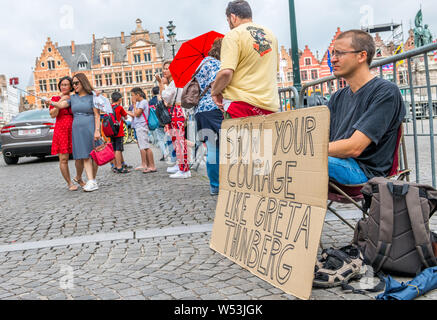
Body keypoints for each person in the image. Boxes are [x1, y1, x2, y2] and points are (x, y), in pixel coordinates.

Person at [328, 29, 406, 185]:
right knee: (276, 159)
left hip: (365, 172)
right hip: (337, 162)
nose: (333, 59)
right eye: (332, 54)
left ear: (361, 56)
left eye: (340, 53)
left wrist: (306, 152)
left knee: (294, 160)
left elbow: (354, 147)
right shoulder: (337, 97)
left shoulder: (386, 92)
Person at [211, 0, 280, 119]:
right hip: (269, 107)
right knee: (266, 138)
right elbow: (275, 69)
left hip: (241, 106)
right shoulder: (271, 36)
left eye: (228, 21)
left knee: (239, 138)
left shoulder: (233, 35)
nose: (229, 24)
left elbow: (226, 72)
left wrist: (215, 91)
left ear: (233, 17)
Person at [49, 73, 101, 192]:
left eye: (73, 84)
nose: (73, 85)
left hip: (87, 127)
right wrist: (52, 102)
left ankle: (88, 179)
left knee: (92, 155)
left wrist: (97, 130)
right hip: (72, 129)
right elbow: (58, 108)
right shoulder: (70, 98)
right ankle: (83, 181)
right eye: (73, 83)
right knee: (82, 155)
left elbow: (97, 114)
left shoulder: (90, 96)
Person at [194, 38, 224, 196]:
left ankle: (214, 185)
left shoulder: (202, 64)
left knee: (211, 148)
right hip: (213, 108)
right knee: (221, 147)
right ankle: (221, 183)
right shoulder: (215, 64)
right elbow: (215, 85)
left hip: (200, 111)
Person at [156, 61, 191, 179]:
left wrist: (160, 84)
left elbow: (164, 97)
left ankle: (184, 169)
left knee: (179, 141)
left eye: (167, 68)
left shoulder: (174, 82)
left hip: (176, 111)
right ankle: (180, 165)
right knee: (177, 140)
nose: (164, 71)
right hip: (177, 111)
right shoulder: (174, 82)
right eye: (164, 68)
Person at [49, 76, 77, 191]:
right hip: (61, 131)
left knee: (80, 157)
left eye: (66, 85)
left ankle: (79, 178)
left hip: (75, 129)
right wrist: (60, 100)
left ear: (71, 86)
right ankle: (69, 183)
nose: (63, 87)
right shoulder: (55, 98)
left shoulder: (75, 97)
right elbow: (53, 114)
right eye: (62, 85)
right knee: (63, 159)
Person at [130, 87, 157, 174]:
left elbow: (137, 114)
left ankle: (152, 166)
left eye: (133, 95)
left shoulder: (143, 102)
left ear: (138, 95)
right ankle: (149, 165)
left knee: (146, 147)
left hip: (142, 126)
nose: (132, 97)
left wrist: (134, 104)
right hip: (139, 126)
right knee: (143, 146)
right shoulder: (140, 103)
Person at [110, 91, 135, 174]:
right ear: (120, 100)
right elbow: (125, 116)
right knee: (118, 149)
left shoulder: (109, 107)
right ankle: (119, 167)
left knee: (114, 148)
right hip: (118, 131)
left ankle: (115, 165)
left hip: (111, 131)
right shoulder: (119, 108)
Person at [148, 86, 167, 161]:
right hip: (165, 120)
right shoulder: (163, 97)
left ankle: (164, 154)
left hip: (157, 122)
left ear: (152, 93)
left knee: (160, 139)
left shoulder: (151, 101)